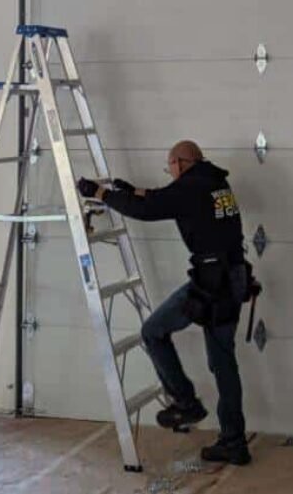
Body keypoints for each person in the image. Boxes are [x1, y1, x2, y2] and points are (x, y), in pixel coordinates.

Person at [77, 140, 252, 466]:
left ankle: (188, 405)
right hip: (232, 277)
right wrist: (133, 190)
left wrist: (100, 194)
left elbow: (148, 210)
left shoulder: (191, 187)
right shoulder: (214, 182)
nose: (169, 172)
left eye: (169, 167)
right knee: (223, 362)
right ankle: (233, 440)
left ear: (180, 163)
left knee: (154, 332)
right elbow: (163, 198)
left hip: (213, 284)